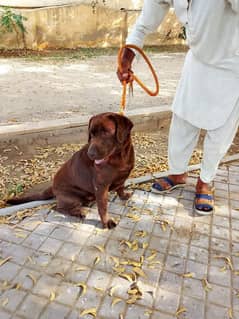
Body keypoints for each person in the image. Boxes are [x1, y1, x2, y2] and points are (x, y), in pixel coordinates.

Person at [117, 0, 239, 215]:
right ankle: (177, 173)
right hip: (197, 60)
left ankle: (205, 181)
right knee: (182, 119)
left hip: (232, 65)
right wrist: (127, 56)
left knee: (220, 129)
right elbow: (145, 22)